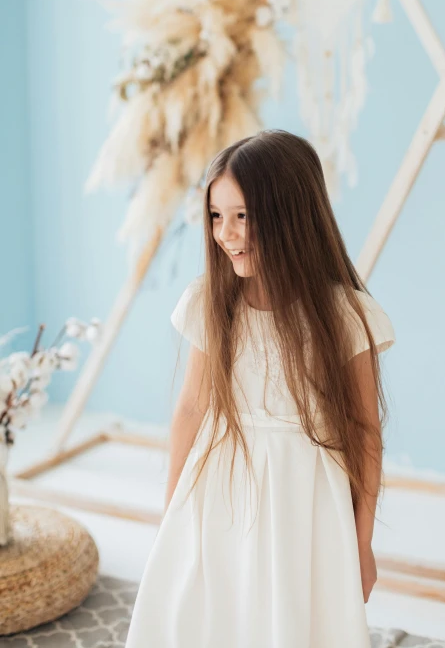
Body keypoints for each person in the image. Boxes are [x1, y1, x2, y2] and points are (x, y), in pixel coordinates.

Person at [124, 129, 396, 648]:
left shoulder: (346, 315)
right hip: (220, 491)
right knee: (216, 616)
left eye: (242, 215)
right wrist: (171, 517)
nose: (225, 233)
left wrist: (362, 545)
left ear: (293, 213)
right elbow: (189, 410)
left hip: (307, 504)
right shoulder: (209, 303)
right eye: (216, 216)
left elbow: (365, 433)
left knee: (294, 619)